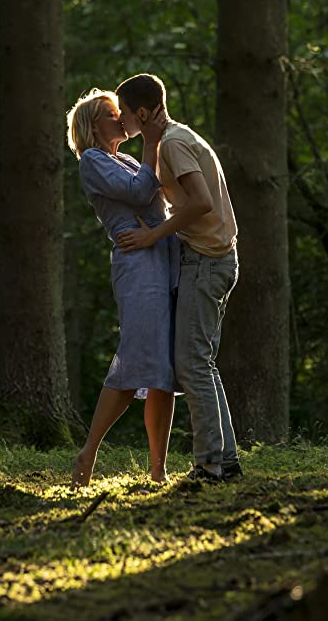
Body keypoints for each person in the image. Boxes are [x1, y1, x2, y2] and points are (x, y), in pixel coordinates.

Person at [114, 73, 242, 482]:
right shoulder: (172, 138)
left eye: (126, 116)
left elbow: (202, 202)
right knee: (201, 363)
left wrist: (153, 233)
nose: (122, 125)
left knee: (191, 366)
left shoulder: (173, 143)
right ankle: (226, 459)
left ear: (145, 112)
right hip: (212, 259)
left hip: (208, 262)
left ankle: (208, 465)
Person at [65, 88, 180, 486]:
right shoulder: (92, 161)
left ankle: (158, 470)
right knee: (135, 360)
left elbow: (157, 196)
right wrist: (151, 141)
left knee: (163, 368)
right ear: (95, 126)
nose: (123, 118)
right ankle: (89, 451)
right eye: (114, 114)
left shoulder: (126, 159)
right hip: (137, 265)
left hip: (162, 257)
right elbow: (137, 193)